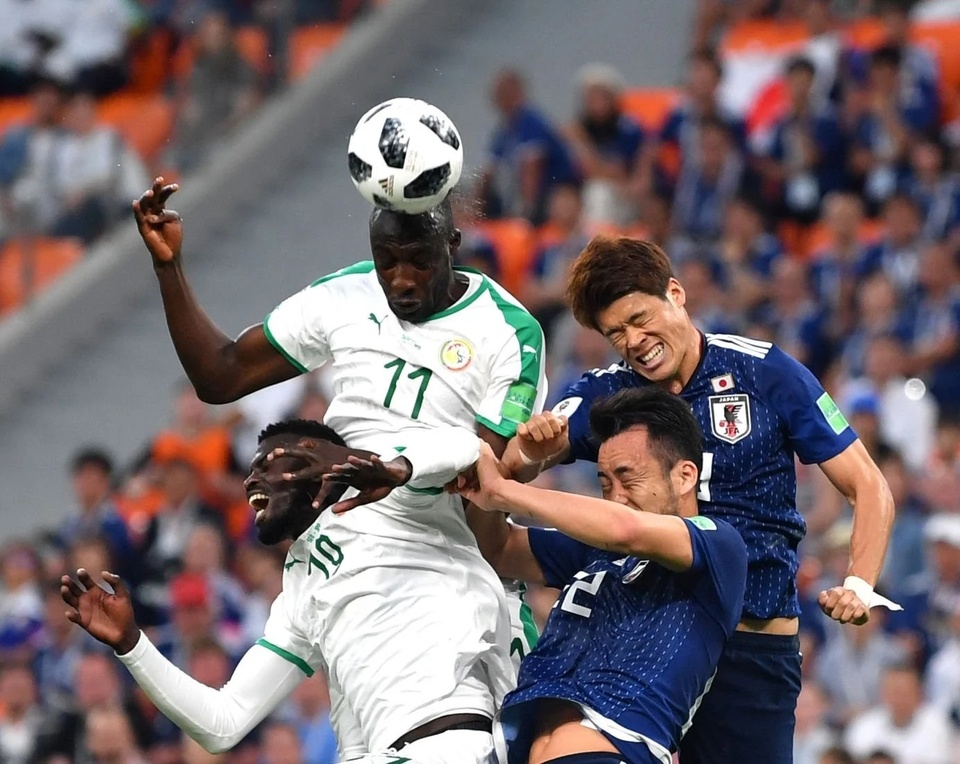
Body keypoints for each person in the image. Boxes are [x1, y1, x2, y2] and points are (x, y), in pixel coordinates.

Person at [500, 237, 897, 764]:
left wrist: (858, 583)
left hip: (750, 648)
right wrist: (529, 454)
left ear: (676, 293)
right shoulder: (609, 393)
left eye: (640, 318)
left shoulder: (764, 371)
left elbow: (868, 485)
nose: (635, 341)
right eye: (616, 333)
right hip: (653, 645)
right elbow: (514, 465)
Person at [62, 419, 514, 764]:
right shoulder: (298, 590)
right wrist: (131, 644)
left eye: (265, 463)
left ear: (312, 454)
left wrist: (393, 468)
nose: (249, 480)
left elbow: (464, 446)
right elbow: (222, 722)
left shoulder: (398, 498)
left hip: (451, 744)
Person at [452, 387, 747, 764]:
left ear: (685, 475)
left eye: (629, 478)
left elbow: (626, 529)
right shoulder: (594, 550)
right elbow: (497, 549)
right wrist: (512, 468)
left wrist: (504, 491)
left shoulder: (719, 545)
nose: (616, 496)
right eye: (605, 483)